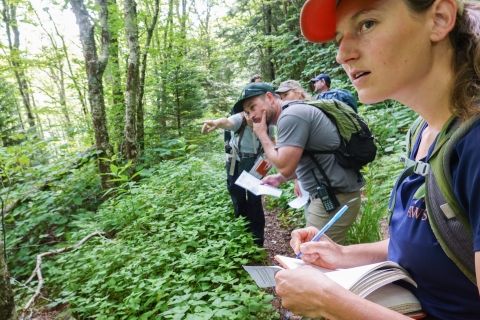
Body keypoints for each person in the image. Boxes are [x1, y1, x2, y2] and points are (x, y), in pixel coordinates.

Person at [274, 0, 480, 319]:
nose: (343, 55)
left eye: (366, 24)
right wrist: (342, 254)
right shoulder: (424, 132)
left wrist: (330, 302)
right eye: (339, 38)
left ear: (439, 19)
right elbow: (427, 243)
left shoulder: (474, 147)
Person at [233, 82, 363, 245]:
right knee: (319, 257)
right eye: (247, 112)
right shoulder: (291, 113)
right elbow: (308, 159)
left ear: (269, 97)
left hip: (335, 197)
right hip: (333, 194)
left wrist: (262, 135)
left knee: (314, 256)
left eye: (253, 107)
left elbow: (285, 167)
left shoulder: (291, 116)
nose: (251, 116)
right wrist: (280, 179)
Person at [202, 111, 275, 247]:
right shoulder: (238, 119)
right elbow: (227, 122)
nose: (252, 117)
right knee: (238, 199)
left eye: (255, 113)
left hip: (257, 164)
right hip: (235, 163)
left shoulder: (266, 123)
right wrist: (217, 122)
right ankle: (243, 235)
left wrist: (269, 158)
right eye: (248, 113)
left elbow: (272, 140)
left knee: (255, 201)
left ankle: (257, 240)